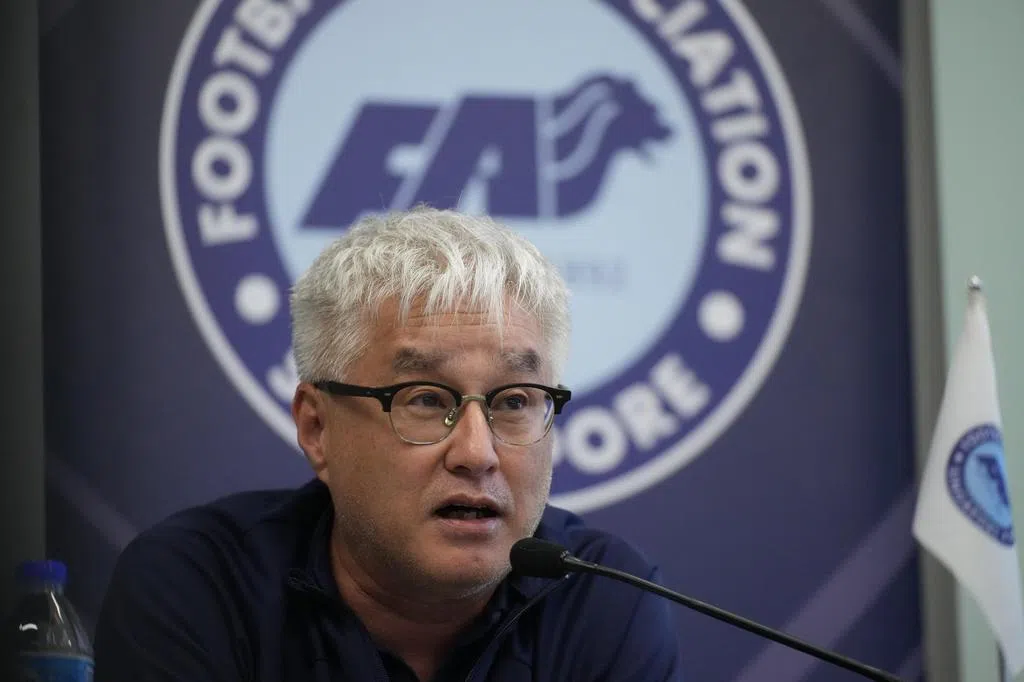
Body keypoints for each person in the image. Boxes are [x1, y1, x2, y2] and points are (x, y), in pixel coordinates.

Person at [94, 207, 684, 681]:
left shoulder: (602, 600)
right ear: (317, 428)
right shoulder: (199, 588)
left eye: (512, 402)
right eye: (424, 399)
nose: (477, 454)